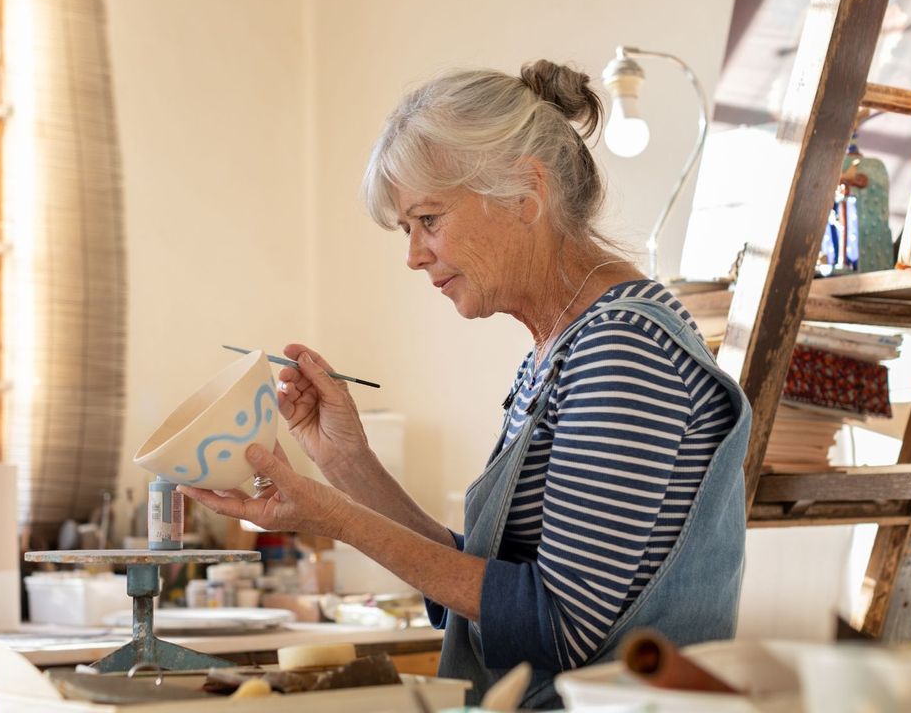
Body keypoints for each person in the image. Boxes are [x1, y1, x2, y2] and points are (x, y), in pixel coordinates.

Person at [179, 60, 752, 709]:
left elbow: (554, 624)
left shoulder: (621, 348)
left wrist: (331, 515)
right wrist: (346, 463)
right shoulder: (561, 348)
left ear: (523, 192)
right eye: (408, 229)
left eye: (428, 219)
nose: (414, 255)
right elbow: (486, 594)